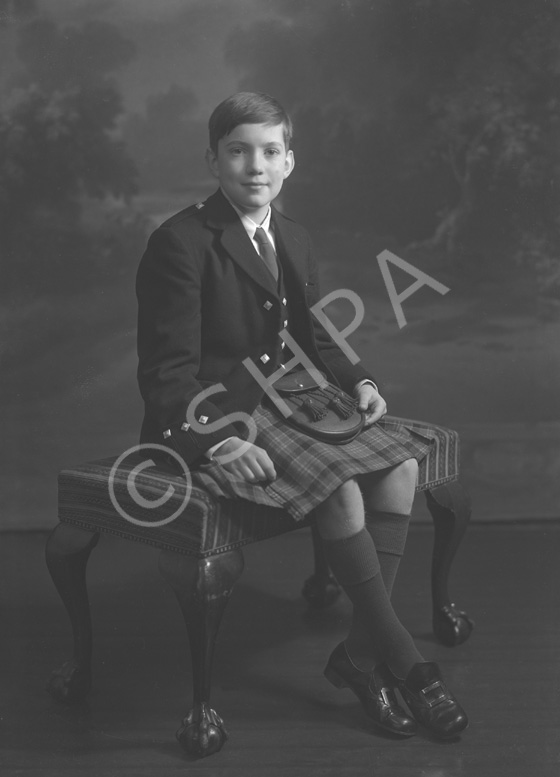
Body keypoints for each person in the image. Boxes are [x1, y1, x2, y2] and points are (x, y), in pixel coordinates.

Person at [136, 91, 468, 740]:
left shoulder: (293, 236)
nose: (254, 167)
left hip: (295, 400)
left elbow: (317, 337)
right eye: (237, 151)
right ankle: (405, 663)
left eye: (269, 152)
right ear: (212, 160)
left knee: (399, 465)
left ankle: (360, 656)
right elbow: (165, 376)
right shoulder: (180, 243)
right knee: (340, 489)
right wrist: (221, 442)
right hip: (220, 418)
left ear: (291, 162)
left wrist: (361, 378)